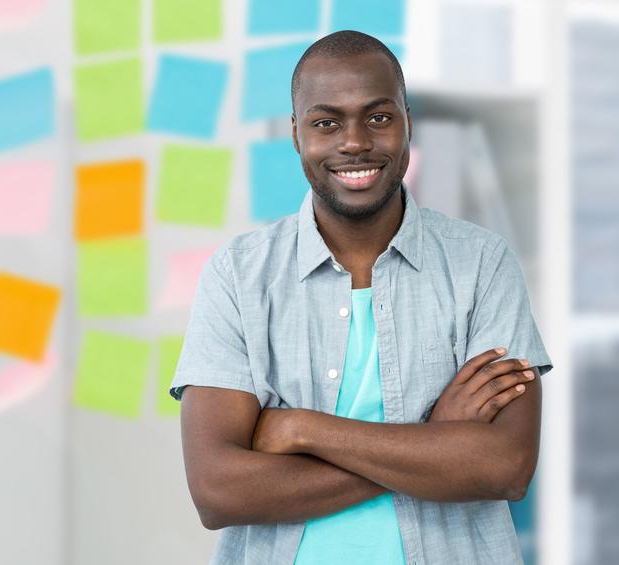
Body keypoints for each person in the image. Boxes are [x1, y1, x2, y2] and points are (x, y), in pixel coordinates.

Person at [171, 30, 552, 565]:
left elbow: (505, 468)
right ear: (297, 135)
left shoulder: (481, 264)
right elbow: (219, 491)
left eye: (378, 117)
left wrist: (300, 428)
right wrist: (433, 443)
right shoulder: (239, 275)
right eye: (327, 122)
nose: (355, 142)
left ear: (407, 123)